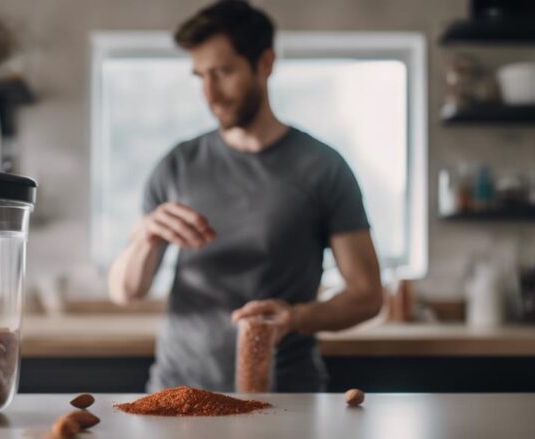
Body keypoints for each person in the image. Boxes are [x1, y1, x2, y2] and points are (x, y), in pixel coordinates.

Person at [107, 0, 383, 392]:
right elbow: (125, 290)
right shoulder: (178, 164)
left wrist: (296, 317)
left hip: (285, 396)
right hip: (178, 393)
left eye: (222, 72)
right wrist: (147, 237)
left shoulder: (323, 168)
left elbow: (367, 296)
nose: (210, 93)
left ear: (265, 63)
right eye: (200, 76)